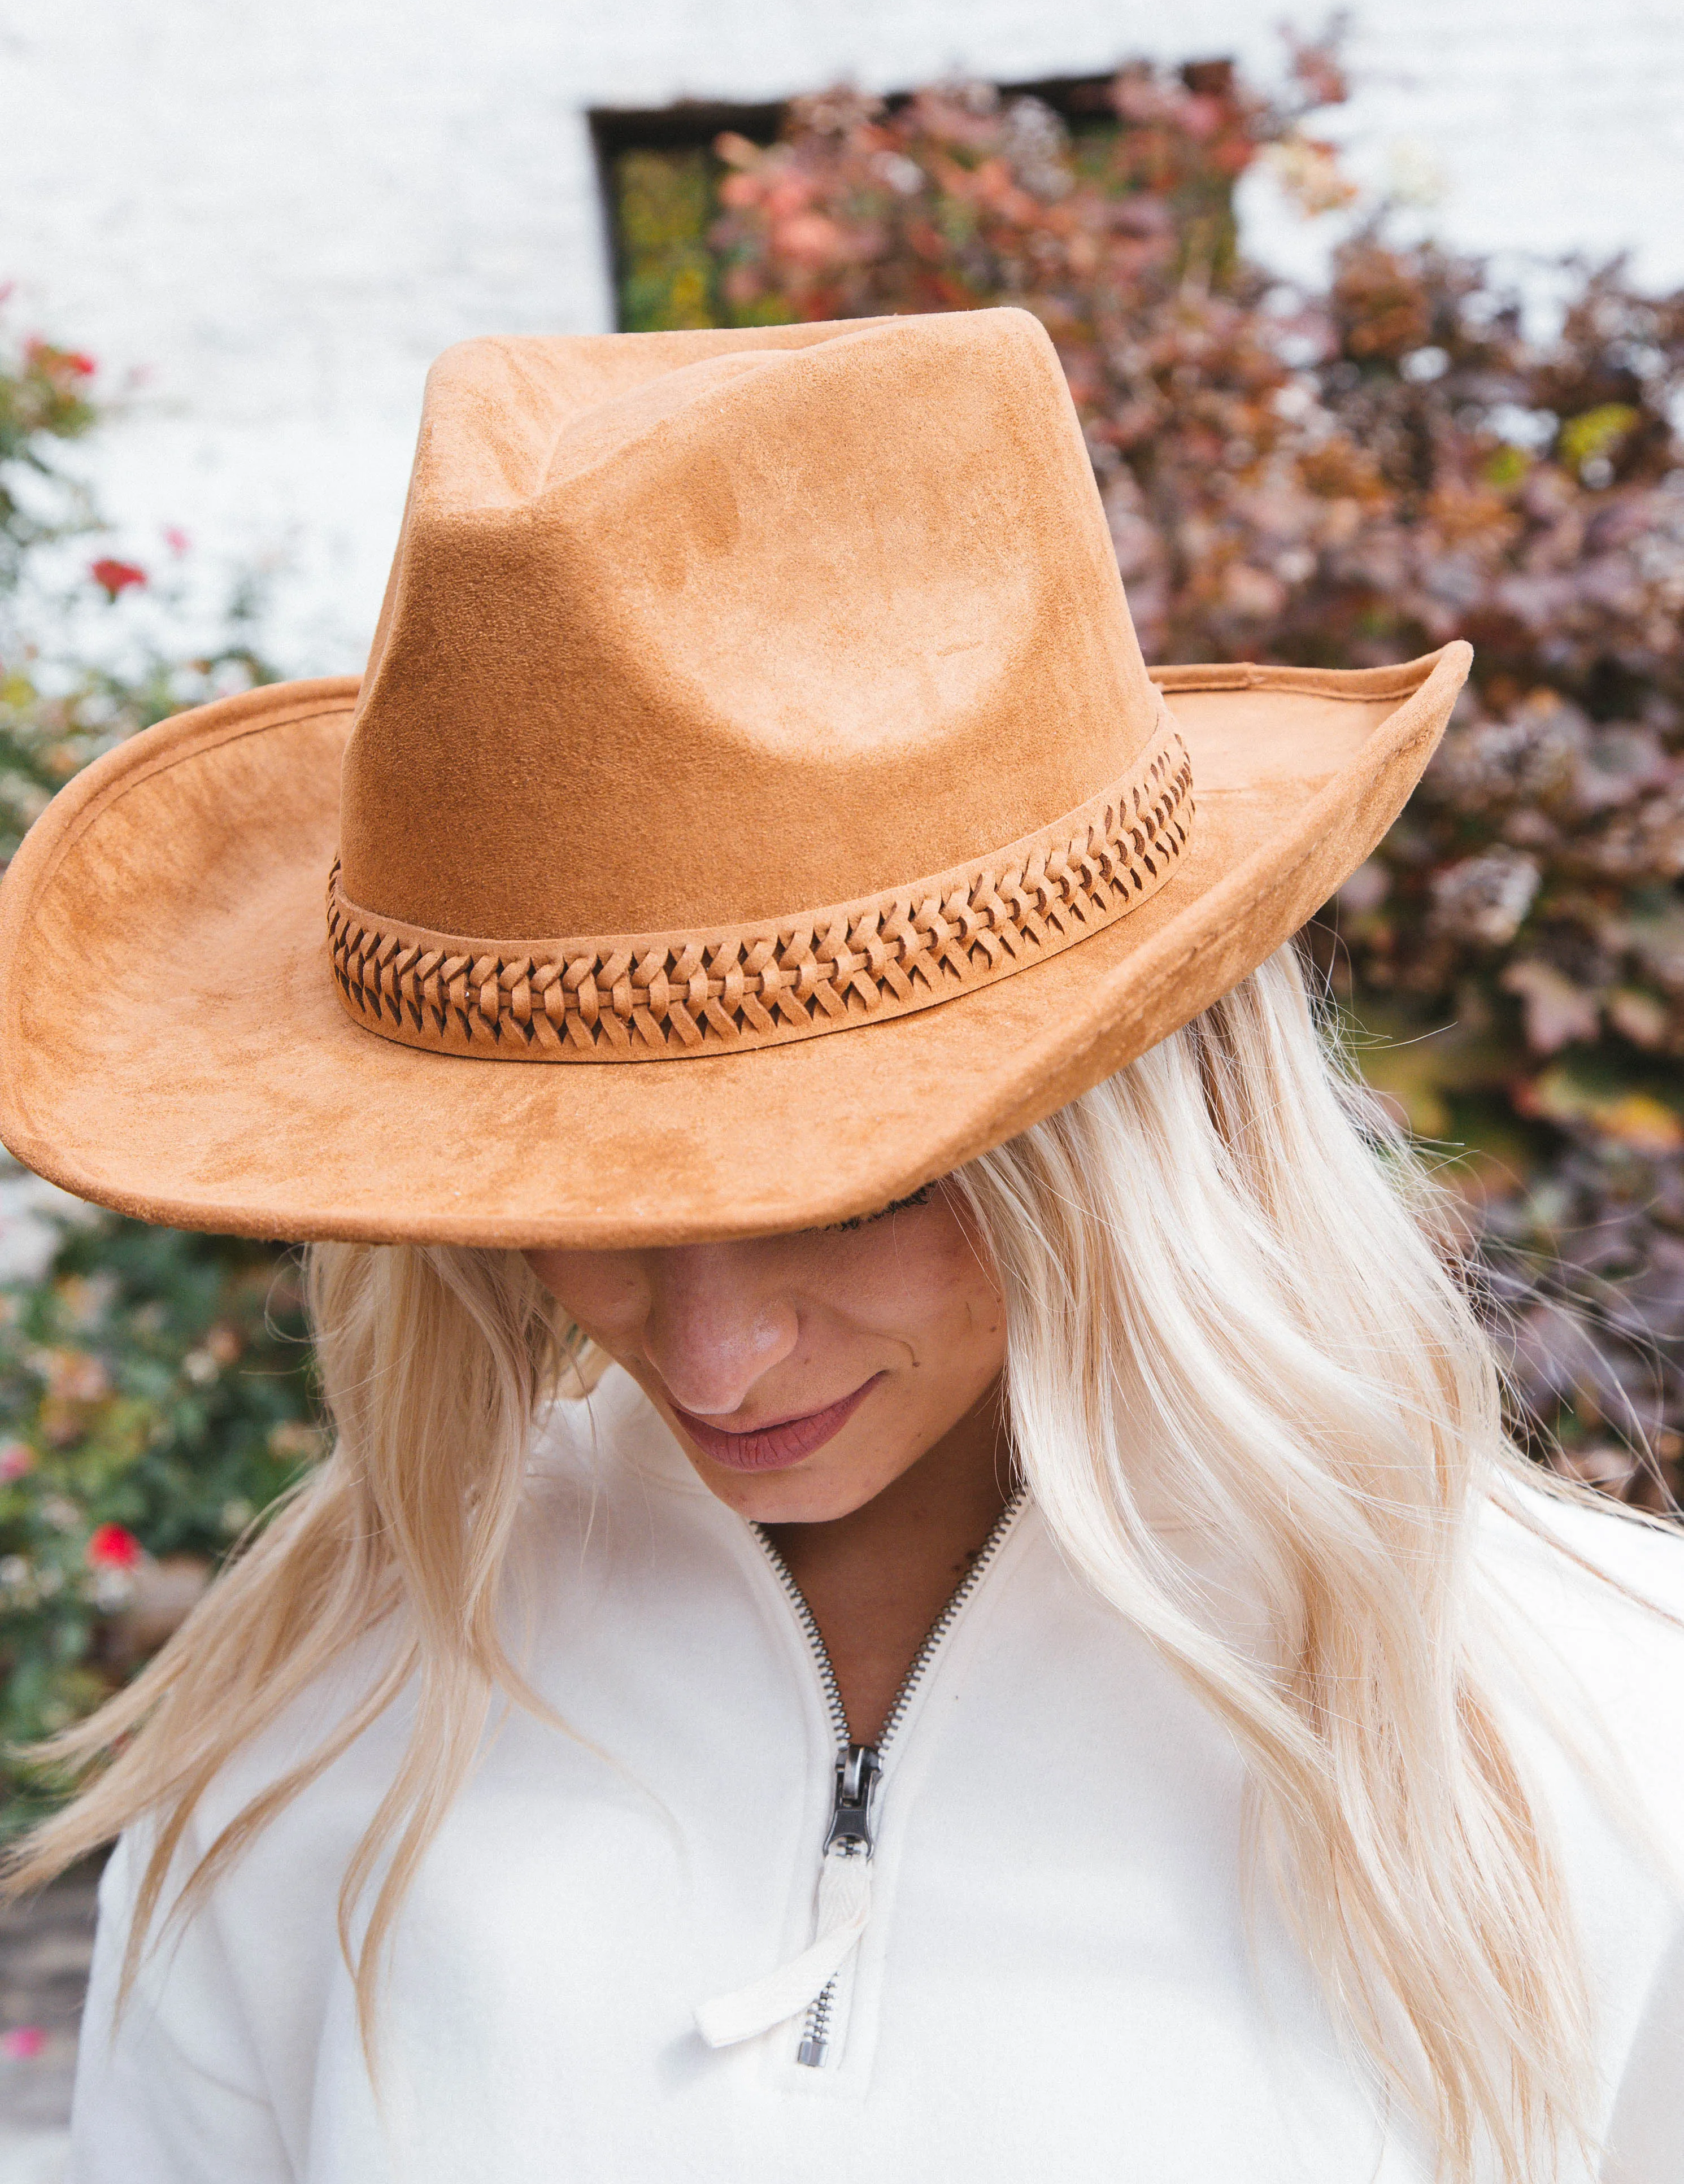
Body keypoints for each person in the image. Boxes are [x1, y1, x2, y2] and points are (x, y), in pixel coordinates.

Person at [0, 308, 1678, 2184]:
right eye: (585, 1206)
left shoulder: (1594, 1733)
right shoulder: (325, 1717)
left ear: (1119, 1124)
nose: (710, 1355)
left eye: (866, 1187)